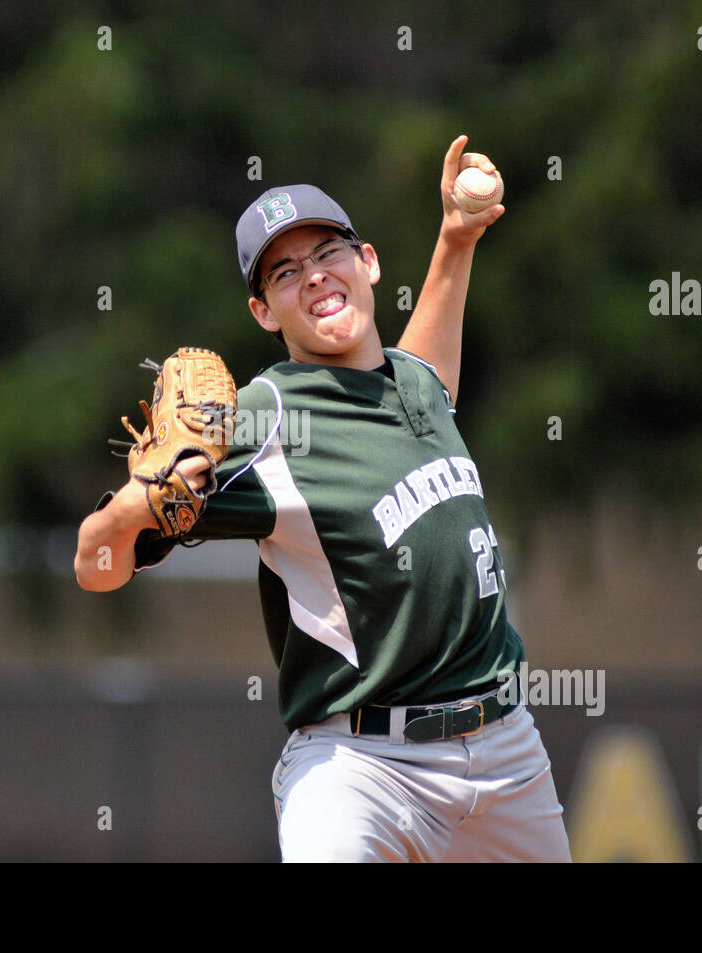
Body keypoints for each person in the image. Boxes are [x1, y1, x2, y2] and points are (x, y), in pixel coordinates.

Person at [75, 136, 571, 863]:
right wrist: (135, 504)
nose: (312, 277)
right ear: (263, 311)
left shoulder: (416, 386)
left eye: (327, 253)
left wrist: (456, 238)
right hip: (364, 769)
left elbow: (428, 368)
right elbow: (96, 565)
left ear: (367, 262)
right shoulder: (265, 418)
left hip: (507, 754)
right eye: (284, 272)